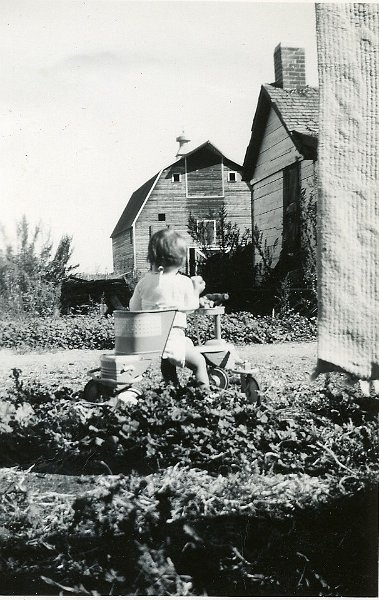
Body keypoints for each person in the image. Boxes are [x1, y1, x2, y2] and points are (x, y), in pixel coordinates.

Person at [129, 229, 209, 387]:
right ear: (180, 259)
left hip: (150, 339)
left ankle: (172, 388)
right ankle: (204, 395)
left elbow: (134, 308)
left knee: (167, 363)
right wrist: (196, 291)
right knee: (199, 362)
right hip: (172, 338)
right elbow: (191, 307)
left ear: (151, 257)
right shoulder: (183, 282)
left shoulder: (144, 282)